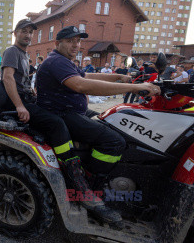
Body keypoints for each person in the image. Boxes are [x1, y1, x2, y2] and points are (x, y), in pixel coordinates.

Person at [35, 25, 160, 224]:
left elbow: (87, 76)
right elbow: (81, 85)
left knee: (116, 123)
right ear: (58, 43)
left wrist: (120, 77)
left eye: (78, 41)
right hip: (62, 114)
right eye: (70, 41)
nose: (76, 45)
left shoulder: (64, 61)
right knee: (114, 142)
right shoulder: (56, 61)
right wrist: (134, 87)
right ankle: (86, 189)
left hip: (72, 112)